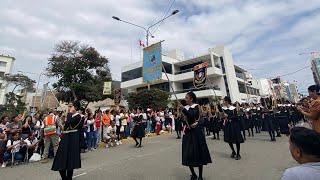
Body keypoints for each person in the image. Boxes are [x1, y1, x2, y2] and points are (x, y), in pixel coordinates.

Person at [180, 91, 212, 180]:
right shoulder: (185, 108)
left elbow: (192, 115)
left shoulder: (196, 107)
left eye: (186, 98)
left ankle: (200, 176)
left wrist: (183, 110)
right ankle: (193, 174)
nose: (185, 99)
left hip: (196, 133)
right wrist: (183, 119)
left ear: (191, 99)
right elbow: (184, 120)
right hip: (188, 133)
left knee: (199, 154)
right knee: (187, 154)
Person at [52, 101, 82, 180]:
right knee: (61, 160)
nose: (68, 108)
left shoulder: (78, 116)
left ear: (75, 107)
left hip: (72, 139)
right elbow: (64, 128)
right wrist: (62, 121)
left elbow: (69, 123)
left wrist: (69, 113)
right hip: (66, 139)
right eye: (68, 106)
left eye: (70, 106)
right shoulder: (70, 116)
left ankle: (69, 178)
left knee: (70, 162)